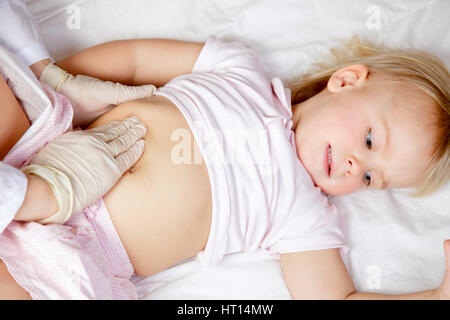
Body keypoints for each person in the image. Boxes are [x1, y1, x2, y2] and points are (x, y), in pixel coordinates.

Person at [1, 3, 450, 300]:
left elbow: (336, 298)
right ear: (347, 81)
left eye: (371, 178)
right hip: (48, 145)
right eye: (371, 141)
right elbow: (137, 59)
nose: (356, 166)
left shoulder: (302, 212)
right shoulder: (239, 69)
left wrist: (433, 297)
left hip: (70, 253)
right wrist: (61, 81)